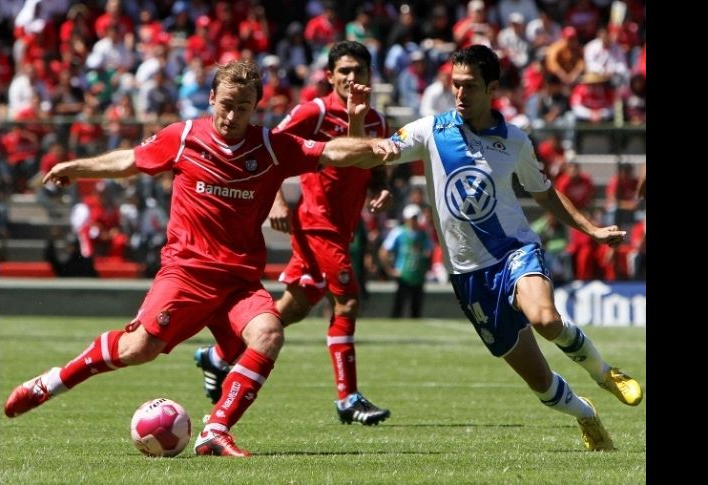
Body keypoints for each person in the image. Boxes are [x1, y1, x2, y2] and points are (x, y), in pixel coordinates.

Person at [2, 60, 400, 457]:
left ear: (255, 108)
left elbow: (332, 151)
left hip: (239, 284)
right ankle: (50, 383)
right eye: (226, 104)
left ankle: (215, 430)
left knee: (269, 333)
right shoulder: (185, 136)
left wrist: (375, 146)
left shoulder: (272, 147)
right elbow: (130, 160)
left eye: (243, 107)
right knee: (138, 349)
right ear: (211, 98)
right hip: (186, 274)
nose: (232, 115)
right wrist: (77, 168)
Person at [380, 45, 643, 451]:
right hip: (468, 276)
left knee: (544, 318)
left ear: (493, 88)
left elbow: (544, 193)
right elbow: (381, 152)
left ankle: (606, 373)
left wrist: (589, 228)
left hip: (514, 251)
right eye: (455, 85)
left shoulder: (514, 141)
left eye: (470, 86)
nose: (460, 94)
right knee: (540, 383)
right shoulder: (430, 130)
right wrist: (376, 176)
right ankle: (586, 415)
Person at [193, 41, 393, 426]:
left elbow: (369, 160)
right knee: (347, 301)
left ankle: (218, 357)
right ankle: (348, 397)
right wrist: (276, 201)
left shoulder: (376, 121)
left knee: (298, 304)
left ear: (370, 75)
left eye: (359, 71)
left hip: (343, 226)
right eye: (344, 71)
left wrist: (380, 186)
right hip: (317, 222)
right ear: (330, 75)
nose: (352, 78)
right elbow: (269, 147)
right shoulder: (314, 111)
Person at [379, 203, 434, 318]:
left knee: (416, 310)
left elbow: (430, 252)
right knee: (398, 307)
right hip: (403, 276)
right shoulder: (398, 232)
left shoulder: (424, 235)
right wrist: (389, 270)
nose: (413, 221)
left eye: (415, 218)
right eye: (412, 218)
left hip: (418, 276)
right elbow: (384, 251)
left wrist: (427, 269)